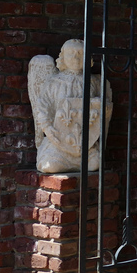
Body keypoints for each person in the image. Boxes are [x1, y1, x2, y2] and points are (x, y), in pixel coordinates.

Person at [28, 39, 112, 174]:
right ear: (63, 57)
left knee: (96, 163)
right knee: (51, 166)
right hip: (59, 142)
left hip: (85, 142)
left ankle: (83, 158)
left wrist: (101, 104)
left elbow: (103, 109)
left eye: (80, 53)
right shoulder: (53, 82)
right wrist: (48, 129)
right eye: (70, 53)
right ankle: (56, 158)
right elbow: (42, 106)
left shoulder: (94, 82)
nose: (75, 57)